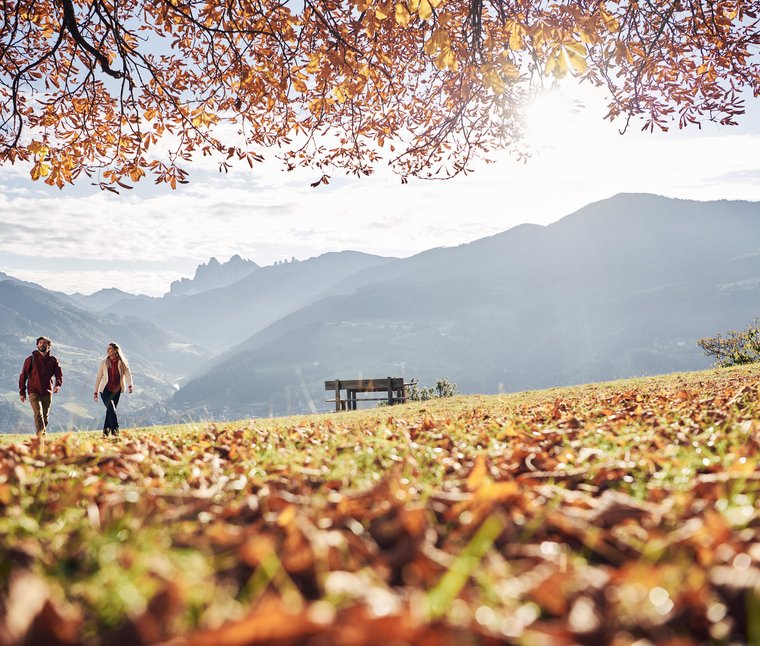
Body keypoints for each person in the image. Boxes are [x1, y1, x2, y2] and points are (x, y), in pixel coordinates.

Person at [18, 336, 63, 437]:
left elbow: (59, 374)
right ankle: (40, 438)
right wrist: (22, 392)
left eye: (45, 343)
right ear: (37, 345)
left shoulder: (53, 360)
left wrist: (58, 385)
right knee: (38, 414)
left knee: (45, 417)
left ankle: (42, 434)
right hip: (34, 391)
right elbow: (23, 376)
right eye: (40, 342)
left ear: (48, 345)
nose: (42, 344)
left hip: (47, 391)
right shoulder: (30, 359)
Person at [93, 342, 134, 438]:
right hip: (105, 391)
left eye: (110, 349)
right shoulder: (103, 362)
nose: (107, 350)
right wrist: (95, 392)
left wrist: (130, 385)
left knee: (109, 412)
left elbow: (128, 373)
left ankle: (105, 435)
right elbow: (99, 377)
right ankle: (116, 433)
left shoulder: (122, 361)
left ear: (116, 350)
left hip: (116, 391)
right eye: (107, 349)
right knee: (112, 409)